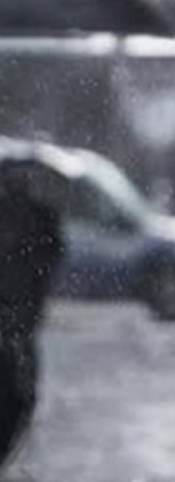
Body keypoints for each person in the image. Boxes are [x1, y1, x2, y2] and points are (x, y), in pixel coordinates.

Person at [0, 160, 65, 467]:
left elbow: (53, 253)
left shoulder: (40, 216)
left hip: (22, 309)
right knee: (19, 383)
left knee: (20, 382)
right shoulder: (37, 216)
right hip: (18, 310)